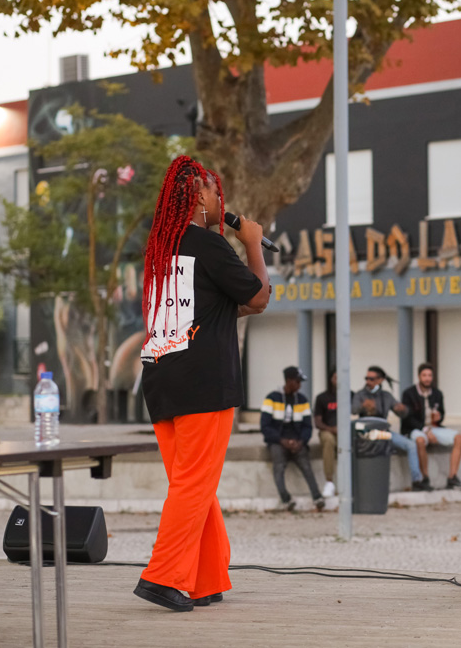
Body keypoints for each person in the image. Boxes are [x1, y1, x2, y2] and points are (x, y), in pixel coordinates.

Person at [135, 155, 270, 612]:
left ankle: (206, 577)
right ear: (197, 197)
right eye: (215, 191)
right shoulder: (210, 246)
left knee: (192, 483)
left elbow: (224, 306)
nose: (220, 200)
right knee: (194, 484)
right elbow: (258, 297)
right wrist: (252, 244)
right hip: (203, 381)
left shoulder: (160, 250)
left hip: (162, 378)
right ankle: (162, 576)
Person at [352, 366, 431, 491]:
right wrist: (363, 406)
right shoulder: (360, 395)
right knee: (382, 444)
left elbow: (402, 413)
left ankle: (417, 480)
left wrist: (402, 409)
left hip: (384, 432)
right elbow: (353, 410)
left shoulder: (386, 396)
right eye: (366, 378)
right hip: (367, 433)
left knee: (411, 445)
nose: (368, 381)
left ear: (380, 380)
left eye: (372, 379)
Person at [261, 366, 325, 511]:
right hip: (277, 441)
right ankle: (286, 499)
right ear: (289, 381)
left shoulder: (302, 400)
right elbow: (265, 426)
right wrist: (281, 441)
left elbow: (308, 426)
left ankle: (317, 497)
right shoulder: (272, 398)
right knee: (278, 466)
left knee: (306, 465)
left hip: (297, 441)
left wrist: (301, 441)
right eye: (297, 381)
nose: (300, 385)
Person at [402, 363, 461, 490]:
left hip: (434, 427)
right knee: (420, 441)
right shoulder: (409, 393)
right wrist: (426, 430)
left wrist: (439, 417)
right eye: (424, 375)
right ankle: (424, 478)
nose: (427, 378)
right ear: (419, 376)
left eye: (430, 375)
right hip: (416, 429)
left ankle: (452, 477)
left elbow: (442, 413)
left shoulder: (437, 393)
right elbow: (408, 418)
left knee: (459, 438)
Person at [314, 369, 339, 498]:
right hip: (327, 430)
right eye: (336, 377)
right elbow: (317, 422)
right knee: (329, 440)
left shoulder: (350, 395)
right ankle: (329, 482)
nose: (338, 380)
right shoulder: (322, 398)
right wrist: (332, 429)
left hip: (345, 432)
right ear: (330, 379)